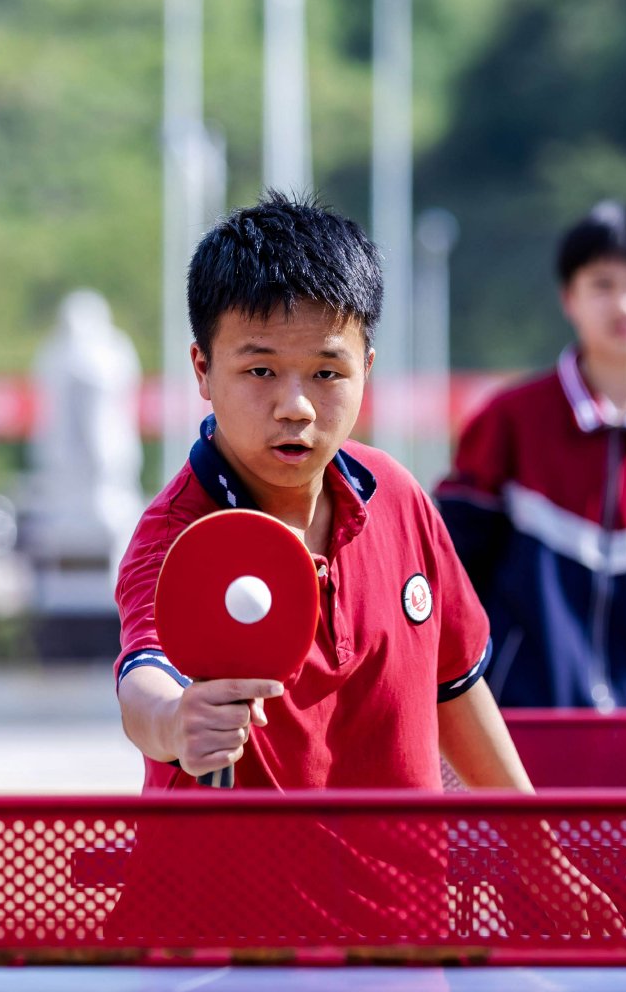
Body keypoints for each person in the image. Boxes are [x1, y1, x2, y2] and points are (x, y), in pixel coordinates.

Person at [115, 194, 526, 795]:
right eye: (260, 371)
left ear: (367, 368)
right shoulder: (176, 535)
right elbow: (143, 683)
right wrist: (178, 722)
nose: (295, 407)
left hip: (405, 891)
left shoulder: (400, 495)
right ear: (202, 369)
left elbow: (455, 687)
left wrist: (543, 857)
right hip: (230, 893)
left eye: (327, 373)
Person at [436, 201, 626, 713]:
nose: (624, 305)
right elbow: (452, 577)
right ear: (569, 298)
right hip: (524, 731)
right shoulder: (506, 421)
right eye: (602, 285)